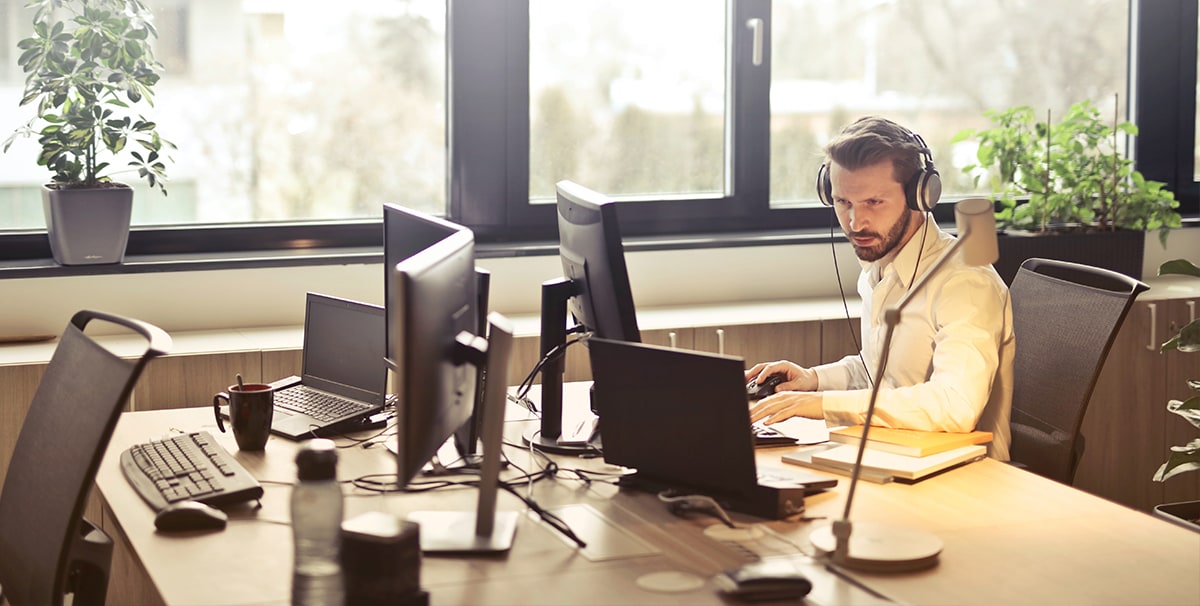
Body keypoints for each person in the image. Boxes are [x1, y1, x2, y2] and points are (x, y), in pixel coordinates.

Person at [746, 116, 1014, 460]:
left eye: (873, 202)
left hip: (963, 476)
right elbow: (881, 374)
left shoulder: (965, 282)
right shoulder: (878, 267)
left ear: (920, 195)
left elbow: (955, 406)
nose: (856, 223)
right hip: (892, 454)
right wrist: (813, 380)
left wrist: (823, 404)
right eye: (843, 203)